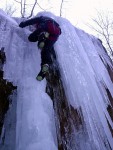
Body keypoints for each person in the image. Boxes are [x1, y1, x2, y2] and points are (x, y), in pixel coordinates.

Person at [19, 14, 61, 81]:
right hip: (56, 32)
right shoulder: (53, 21)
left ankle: (43, 35)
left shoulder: (42, 17)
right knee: (46, 49)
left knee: (31, 38)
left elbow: (31, 21)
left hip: (46, 26)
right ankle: (45, 64)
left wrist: (22, 24)